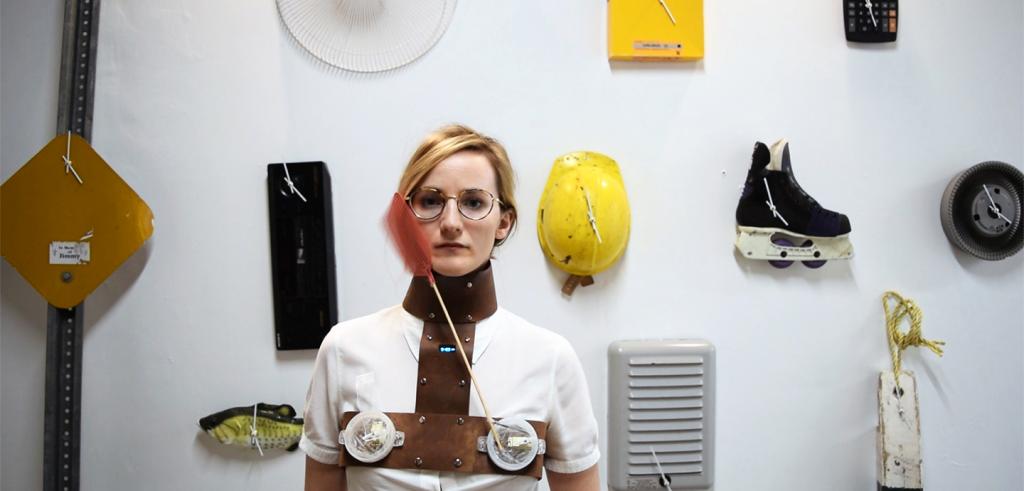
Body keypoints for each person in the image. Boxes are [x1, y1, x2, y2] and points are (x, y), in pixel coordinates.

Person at [301, 124, 601, 490]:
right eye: (431, 201)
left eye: (473, 202)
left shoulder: (551, 359)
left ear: (504, 222)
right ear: (406, 215)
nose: (451, 223)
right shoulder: (344, 348)